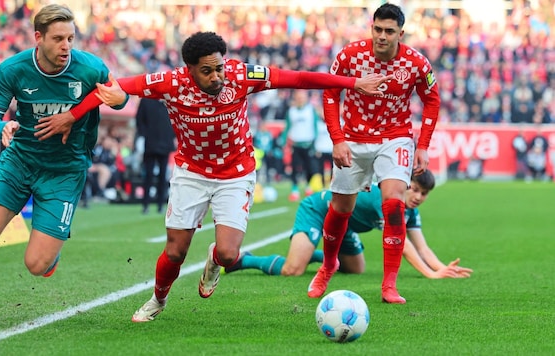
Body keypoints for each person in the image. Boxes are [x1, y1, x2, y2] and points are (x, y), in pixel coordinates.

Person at [32, 31, 392, 322]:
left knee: (227, 251)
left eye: (219, 67)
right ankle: (158, 300)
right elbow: (112, 88)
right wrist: (71, 116)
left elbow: (298, 78)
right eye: (207, 70)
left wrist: (351, 83)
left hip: (236, 172)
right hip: (191, 172)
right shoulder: (168, 83)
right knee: (175, 252)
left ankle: (215, 263)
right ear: (189, 69)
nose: (217, 76)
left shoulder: (242, 75)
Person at [0, 4, 127, 327]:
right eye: (59, 39)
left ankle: (51, 248)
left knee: (37, 264)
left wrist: (115, 99)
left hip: (65, 170)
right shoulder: (12, 69)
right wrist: (2, 128)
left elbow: (120, 96)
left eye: (71, 38)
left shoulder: (90, 68)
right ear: (38, 37)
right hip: (19, 161)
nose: (67, 46)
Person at [311, 3, 441, 304]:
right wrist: (338, 139)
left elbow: (432, 100)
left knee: (394, 203)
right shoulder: (349, 55)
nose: (382, 36)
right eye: (378, 29)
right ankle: (329, 265)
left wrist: (422, 145)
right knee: (341, 208)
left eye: (389, 31)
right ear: (372, 27)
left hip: (395, 137)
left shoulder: (417, 63)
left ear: (401, 33)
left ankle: (389, 286)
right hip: (353, 139)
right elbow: (330, 94)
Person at [224, 170, 473, 279]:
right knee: (292, 270)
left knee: (354, 269)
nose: (418, 197)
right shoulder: (386, 197)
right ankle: (243, 260)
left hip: (346, 225)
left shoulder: (409, 209)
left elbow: (422, 247)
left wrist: (443, 268)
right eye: (415, 190)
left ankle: (313, 255)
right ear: (405, 183)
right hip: (319, 211)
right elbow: (403, 246)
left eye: (424, 194)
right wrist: (430, 274)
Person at [135, 98, 176, 214]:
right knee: (148, 175)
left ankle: (160, 204)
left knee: (162, 176)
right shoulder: (147, 100)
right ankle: (146, 204)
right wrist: (144, 135)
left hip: (164, 142)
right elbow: (139, 119)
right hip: (151, 143)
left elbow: (174, 119)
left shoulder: (168, 99)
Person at [281, 89, 319, 201]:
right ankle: (295, 189)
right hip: (295, 144)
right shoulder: (291, 111)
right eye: (298, 97)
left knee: (310, 168)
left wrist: (316, 143)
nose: (300, 99)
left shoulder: (311, 110)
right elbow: (287, 127)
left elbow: (315, 125)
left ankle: (308, 186)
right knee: (295, 169)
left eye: (302, 97)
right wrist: (284, 142)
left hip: (309, 144)